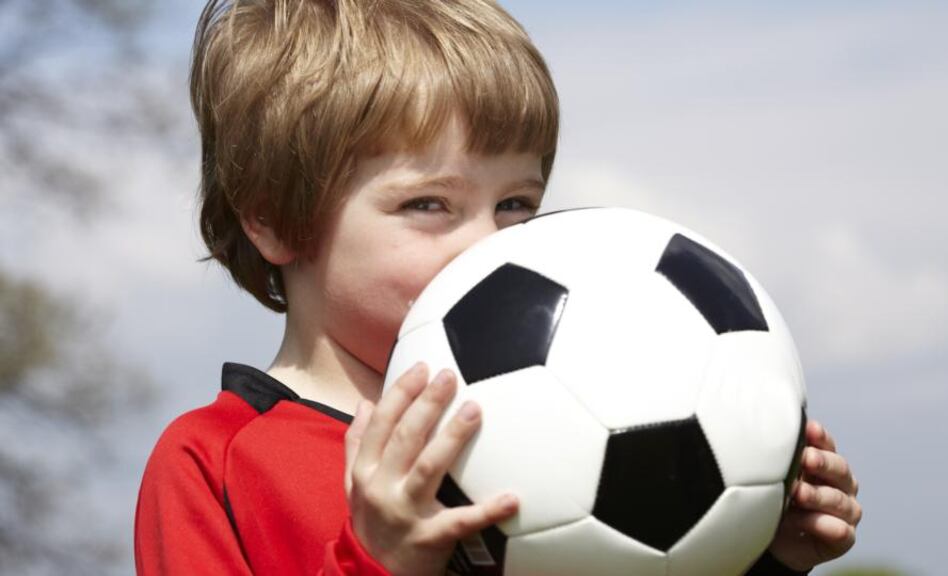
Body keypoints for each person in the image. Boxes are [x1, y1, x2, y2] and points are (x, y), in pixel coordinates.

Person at [134, 1, 862, 574]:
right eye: (429, 205)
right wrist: (379, 561)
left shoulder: (574, 411)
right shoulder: (211, 463)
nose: (491, 242)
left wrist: (763, 553)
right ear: (273, 220)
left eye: (515, 203)